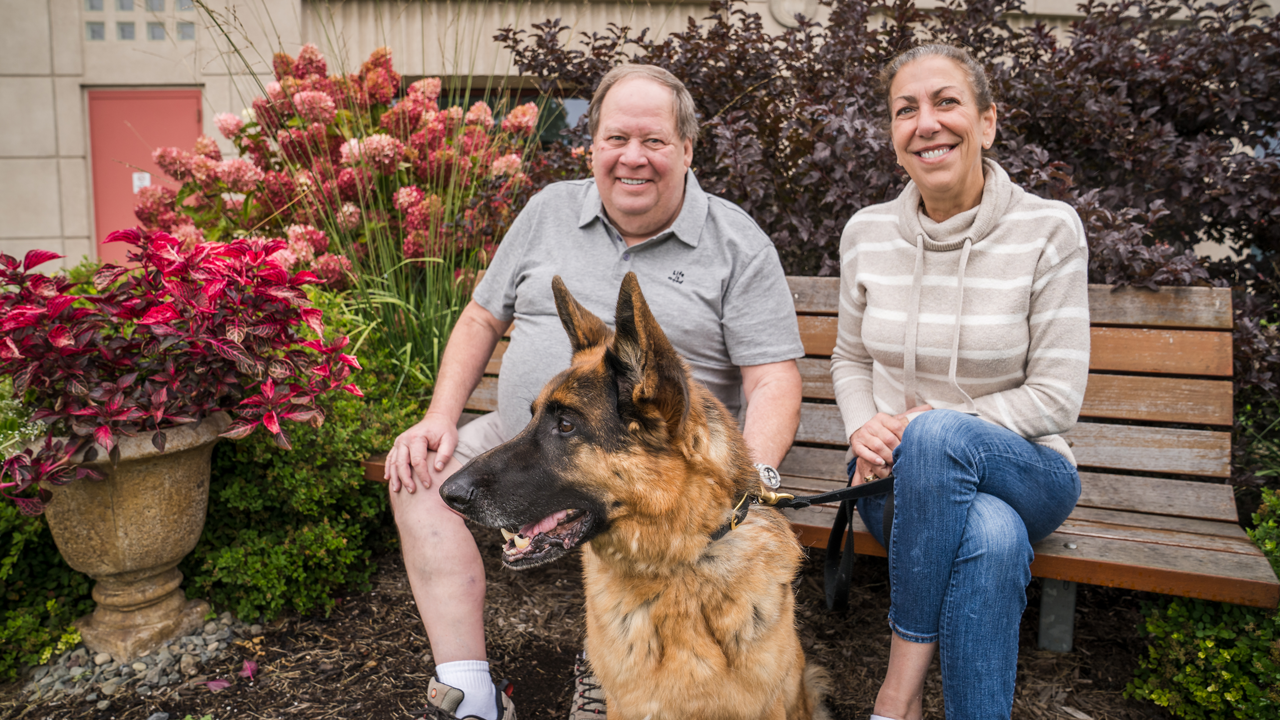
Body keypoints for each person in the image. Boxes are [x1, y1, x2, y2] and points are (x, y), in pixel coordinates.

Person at [385, 63, 805, 720]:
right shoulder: (549, 210)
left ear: (687, 150)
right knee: (417, 474)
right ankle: (470, 691)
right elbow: (480, 317)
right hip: (529, 432)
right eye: (615, 138)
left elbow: (773, 376)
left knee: (625, 504)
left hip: (654, 456)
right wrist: (438, 418)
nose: (631, 158)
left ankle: (611, 662)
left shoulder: (736, 242)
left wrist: (751, 471)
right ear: (593, 144)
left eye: (654, 141)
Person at [830, 44, 1089, 719]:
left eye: (946, 102)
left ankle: (897, 694)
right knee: (993, 538)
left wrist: (925, 424)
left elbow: (1057, 397)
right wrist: (865, 426)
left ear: (988, 122)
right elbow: (850, 360)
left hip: (1029, 470)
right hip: (896, 482)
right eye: (905, 110)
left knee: (941, 430)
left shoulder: (1048, 230)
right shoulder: (866, 234)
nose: (926, 123)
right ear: (893, 135)